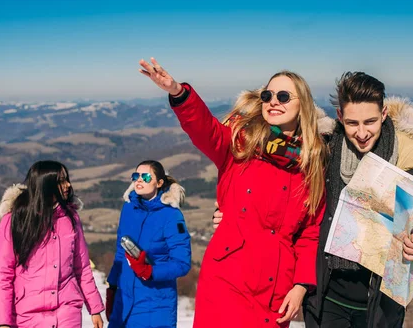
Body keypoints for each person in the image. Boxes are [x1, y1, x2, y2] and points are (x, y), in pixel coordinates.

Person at [139, 58, 328, 327]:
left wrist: (300, 286)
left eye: (284, 96)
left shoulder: (312, 165)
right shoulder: (241, 144)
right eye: (268, 95)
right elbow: (205, 130)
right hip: (228, 275)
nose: (273, 101)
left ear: (303, 106)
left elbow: (310, 233)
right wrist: (178, 93)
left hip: (275, 287)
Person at [303, 72, 413, 327]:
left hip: (380, 308)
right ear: (339, 118)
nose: (362, 132)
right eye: (352, 123)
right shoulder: (324, 153)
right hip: (326, 299)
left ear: (384, 114)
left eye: (370, 121)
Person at [0, 160, 104, 328]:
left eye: (67, 179)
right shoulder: (14, 221)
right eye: (60, 181)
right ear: (45, 185)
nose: (67, 185)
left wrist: (95, 308)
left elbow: (82, 267)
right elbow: (2, 274)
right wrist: (2, 322)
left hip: (67, 312)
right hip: (26, 316)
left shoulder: (70, 218)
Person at [105, 160, 191, 328]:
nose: (139, 180)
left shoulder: (172, 216)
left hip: (155, 304)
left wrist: (150, 271)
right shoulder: (129, 209)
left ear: (159, 183)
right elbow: (121, 252)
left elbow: (182, 263)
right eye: (136, 176)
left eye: (145, 176)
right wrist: (112, 287)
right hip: (124, 300)